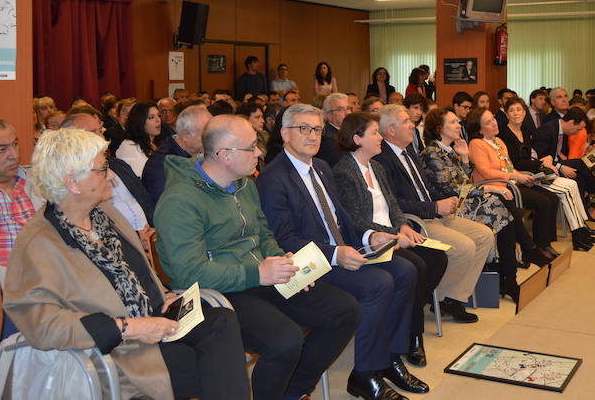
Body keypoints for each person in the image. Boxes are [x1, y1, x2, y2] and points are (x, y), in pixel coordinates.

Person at [5, 128, 249, 400]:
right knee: (217, 366)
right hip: (119, 350)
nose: (111, 176)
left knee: (222, 321)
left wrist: (163, 295)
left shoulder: (104, 214)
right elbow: (43, 325)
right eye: (102, 168)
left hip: (154, 321)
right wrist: (127, 327)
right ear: (73, 182)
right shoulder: (39, 242)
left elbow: (139, 271)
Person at [154, 114, 360, 400]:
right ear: (225, 155)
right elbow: (187, 273)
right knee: (284, 341)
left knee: (345, 310)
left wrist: (283, 262)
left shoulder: (244, 183)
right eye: (251, 148)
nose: (260, 152)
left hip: (261, 275)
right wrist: (259, 274)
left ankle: (293, 391)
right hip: (220, 290)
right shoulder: (180, 201)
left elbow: (263, 234)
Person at [257, 105, 427, 400]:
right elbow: (285, 239)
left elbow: (341, 219)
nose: (313, 135)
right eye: (304, 129)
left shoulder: (321, 167)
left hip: (341, 248)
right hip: (311, 263)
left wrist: (369, 235)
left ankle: (389, 359)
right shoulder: (274, 178)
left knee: (406, 271)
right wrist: (336, 255)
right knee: (379, 284)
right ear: (285, 134)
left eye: (318, 129)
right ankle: (365, 374)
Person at [332, 112, 448, 368]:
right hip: (372, 241)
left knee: (437, 258)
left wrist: (403, 226)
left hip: (392, 234)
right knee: (415, 267)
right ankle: (413, 335)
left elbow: (393, 205)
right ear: (357, 139)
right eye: (374, 133)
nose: (380, 137)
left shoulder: (378, 167)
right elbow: (353, 220)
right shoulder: (344, 173)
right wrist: (395, 236)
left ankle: (408, 321)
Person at [374, 105, 495, 320]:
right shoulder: (382, 159)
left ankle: (452, 296)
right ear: (390, 130)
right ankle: (437, 296)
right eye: (405, 122)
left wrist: (440, 203)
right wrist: (434, 207)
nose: (412, 124)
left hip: (435, 213)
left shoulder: (407, 150)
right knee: (464, 247)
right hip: (416, 221)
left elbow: (424, 186)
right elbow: (394, 203)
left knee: (485, 235)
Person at [418, 108, 547, 303]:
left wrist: (463, 157)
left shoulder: (450, 150)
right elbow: (450, 189)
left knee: (502, 210)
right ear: (439, 128)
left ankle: (510, 276)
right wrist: (489, 189)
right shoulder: (432, 152)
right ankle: (516, 268)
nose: (458, 125)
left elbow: (463, 177)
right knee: (501, 207)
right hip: (448, 208)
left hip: (461, 202)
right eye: (452, 122)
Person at [497, 98, 595, 251]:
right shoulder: (504, 134)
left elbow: (532, 154)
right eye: (511, 110)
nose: (515, 113)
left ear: (525, 112)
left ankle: (578, 230)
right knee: (561, 192)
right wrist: (541, 164)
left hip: (536, 172)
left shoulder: (526, 130)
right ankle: (575, 233)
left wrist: (545, 161)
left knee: (572, 184)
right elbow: (514, 163)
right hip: (523, 175)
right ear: (506, 114)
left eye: (518, 110)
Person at [466, 108, 561, 259]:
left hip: (510, 183)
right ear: (479, 128)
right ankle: (537, 246)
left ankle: (546, 243)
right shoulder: (476, 144)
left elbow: (509, 166)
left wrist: (524, 177)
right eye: (488, 122)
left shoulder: (499, 141)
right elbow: (486, 172)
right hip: (495, 187)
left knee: (552, 198)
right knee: (542, 202)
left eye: (493, 119)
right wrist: (515, 176)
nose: (495, 123)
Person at [63, 110, 157, 237]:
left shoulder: (119, 165)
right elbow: (93, 227)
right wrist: (136, 237)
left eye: (100, 131)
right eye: (92, 133)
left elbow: (145, 200)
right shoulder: (79, 180)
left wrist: (153, 230)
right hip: (121, 242)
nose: (101, 138)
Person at [0, 116, 44, 288]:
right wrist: (25, 281)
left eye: (15, 144)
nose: (14, 155)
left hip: (51, 287)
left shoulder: (37, 186)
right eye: (1, 150)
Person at [142, 105, 211, 203]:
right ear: (186, 135)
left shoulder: (197, 153)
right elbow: (170, 205)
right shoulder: (161, 164)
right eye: (206, 134)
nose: (211, 139)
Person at [116, 102, 162, 178]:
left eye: (159, 115)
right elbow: (137, 179)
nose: (158, 120)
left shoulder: (156, 142)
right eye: (151, 117)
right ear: (140, 121)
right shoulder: (128, 146)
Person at [316, 92, 351, 167]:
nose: (347, 113)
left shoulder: (349, 133)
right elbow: (342, 166)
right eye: (340, 109)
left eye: (348, 108)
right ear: (328, 114)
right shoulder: (327, 139)